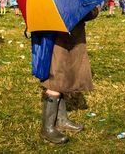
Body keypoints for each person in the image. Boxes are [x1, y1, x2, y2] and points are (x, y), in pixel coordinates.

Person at [39, 7, 99, 144]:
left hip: (71, 40)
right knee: (55, 81)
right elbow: (86, 14)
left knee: (63, 79)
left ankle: (61, 120)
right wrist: (92, 10)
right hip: (58, 40)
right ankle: (47, 128)